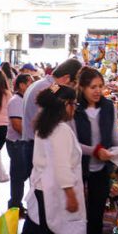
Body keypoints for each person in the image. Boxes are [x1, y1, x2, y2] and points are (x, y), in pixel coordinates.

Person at [28, 86, 85, 234]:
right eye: (73, 104)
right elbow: (62, 165)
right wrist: (71, 194)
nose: (74, 109)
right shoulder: (61, 131)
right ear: (64, 105)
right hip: (54, 190)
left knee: (47, 232)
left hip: (44, 187)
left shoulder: (45, 125)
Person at [73, 67, 118, 234]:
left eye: (100, 86)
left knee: (96, 214)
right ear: (82, 88)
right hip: (77, 168)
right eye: (92, 87)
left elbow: (114, 137)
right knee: (75, 212)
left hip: (101, 169)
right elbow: (71, 143)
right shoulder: (74, 109)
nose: (98, 90)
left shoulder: (108, 107)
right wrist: (94, 151)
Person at [21, 58, 81, 197]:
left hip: (34, 146)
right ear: (67, 78)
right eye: (74, 84)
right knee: (42, 200)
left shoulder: (42, 85)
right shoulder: (49, 91)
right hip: (40, 149)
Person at [5, 74, 34, 211]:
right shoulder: (16, 101)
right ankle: (15, 205)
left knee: (22, 174)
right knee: (18, 175)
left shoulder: (25, 100)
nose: (32, 86)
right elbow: (17, 125)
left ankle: (17, 204)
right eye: (30, 83)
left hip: (23, 142)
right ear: (22, 85)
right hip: (17, 143)